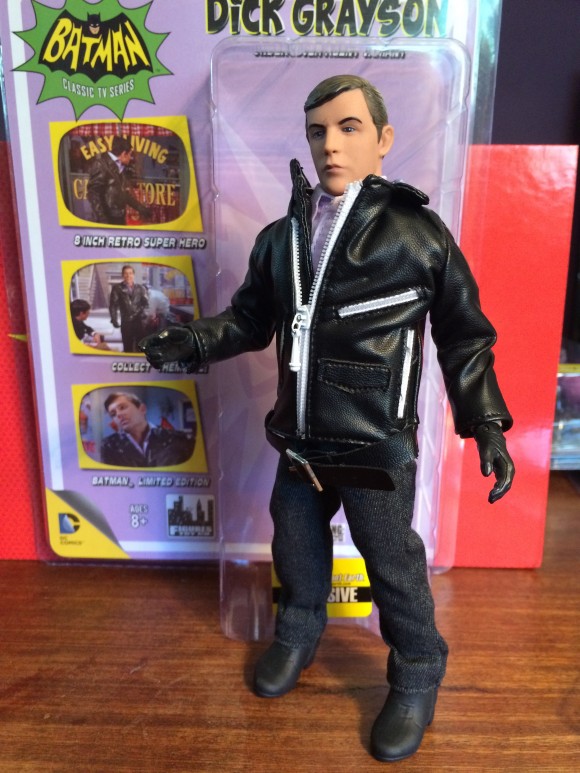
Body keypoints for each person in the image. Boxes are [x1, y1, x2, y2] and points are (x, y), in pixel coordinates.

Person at [139, 76, 514, 762]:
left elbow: (464, 336)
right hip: (300, 442)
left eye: (348, 127)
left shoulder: (416, 236)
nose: (331, 145)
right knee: (297, 548)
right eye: (318, 131)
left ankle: (417, 671)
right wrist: (193, 339)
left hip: (375, 445)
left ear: (384, 139)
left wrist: (485, 421)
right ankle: (298, 630)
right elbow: (249, 320)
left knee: (392, 564)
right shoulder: (283, 237)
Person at [101, 391, 194, 468]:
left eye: (122, 407)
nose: (118, 415)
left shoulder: (179, 439)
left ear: (142, 409)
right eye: (113, 414)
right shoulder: (108, 446)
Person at [86, 135, 152, 225]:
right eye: (130, 154)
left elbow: (123, 193)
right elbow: (93, 195)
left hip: (119, 217)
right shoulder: (101, 165)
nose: (131, 158)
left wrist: (141, 208)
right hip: (109, 220)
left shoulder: (120, 166)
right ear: (123, 154)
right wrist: (103, 221)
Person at [109, 265, 149, 353]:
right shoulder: (117, 288)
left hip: (139, 322)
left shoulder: (141, 288)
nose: (128, 276)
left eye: (130, 273)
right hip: (126, 322)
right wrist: (114, 319)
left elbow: (146, 304)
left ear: (133, 275)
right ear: (122, 275)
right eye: (126, 273)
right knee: (127, 347)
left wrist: (144, 316)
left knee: (141, 347)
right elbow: (113, 305)